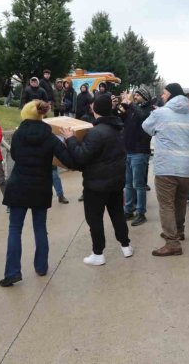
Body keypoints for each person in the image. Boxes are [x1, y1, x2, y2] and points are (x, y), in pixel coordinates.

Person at [0, 101, 76, 287]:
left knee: (14, 229)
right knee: (40, 228)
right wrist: (69, 140)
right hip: (40, 187)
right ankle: (41, 267)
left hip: (18, 185)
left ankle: (12, 272)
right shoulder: (50, 137)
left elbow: (16, 156)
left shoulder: (18, 134)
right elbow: (68, 160)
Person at [63, 94, 131, 266]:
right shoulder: (119, 128)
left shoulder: (96, 133)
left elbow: (80, 156)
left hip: (96, 185)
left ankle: (98, 253)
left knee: (95, 218)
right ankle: (126, 246)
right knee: (117, 214)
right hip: (115, 182)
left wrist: (70, 139)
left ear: (95, 109)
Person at [142, 83, 189, 256]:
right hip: (186, 168)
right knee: (180, 202)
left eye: (164, 93)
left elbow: (146, 128)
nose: (162, 96)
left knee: (166, 205)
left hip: (166, 168)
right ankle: (179, 231)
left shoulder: (159, 113)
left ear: (170, 95)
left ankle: (172, 242)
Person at [118, 87, 153, 227]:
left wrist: (131, 103)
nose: (136, 96)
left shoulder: (149, 110)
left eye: (138, 95)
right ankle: (128, 210)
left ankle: (141, 213)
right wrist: (121, 105)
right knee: (128, 184)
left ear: (145, 97)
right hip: (128, 150)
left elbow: (142, 117)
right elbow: (121, 118)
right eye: (135, 94)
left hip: (140, 151)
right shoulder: (133, 108)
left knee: (139, 184)